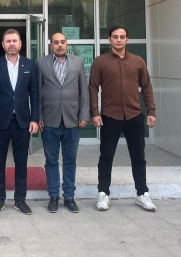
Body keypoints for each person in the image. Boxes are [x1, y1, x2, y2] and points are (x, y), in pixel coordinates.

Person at [89, 25, 157, 212]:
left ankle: (142, 193)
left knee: (138, 156)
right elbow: (93, 88)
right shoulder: (100, 62)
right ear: (109, 39)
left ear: (127, 39)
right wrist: (95, 112)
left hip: (134, 115)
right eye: (115, 37)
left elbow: (147, 87)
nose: (118, 40)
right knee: (106, 156)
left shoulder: (138, 61)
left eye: (122, 37)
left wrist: (151, 111)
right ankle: (103, 193)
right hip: (110, 116)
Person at [0, 29, 39, 215]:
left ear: (20, 43)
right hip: (0, 123)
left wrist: (35, 119)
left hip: (22, 122)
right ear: (3, 44)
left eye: (15, 41)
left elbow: (35, 95)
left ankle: (20, 200)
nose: (12, 44)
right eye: (8, 41)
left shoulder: (29, 65)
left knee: (21, 164)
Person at [37, 32, 89, 213]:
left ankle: (69, 197)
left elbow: (84, 91)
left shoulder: (77, 62)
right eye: (56, 42)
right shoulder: (41, 63)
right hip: (49, 120)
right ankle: (53, 196)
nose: (59, 45)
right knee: (51, 161)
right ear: (51, 45)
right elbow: (37, 92)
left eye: (62, 42)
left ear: (66, 44)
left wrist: (84, 115)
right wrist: (39, 116)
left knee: (70, 161)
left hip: (72, 119)